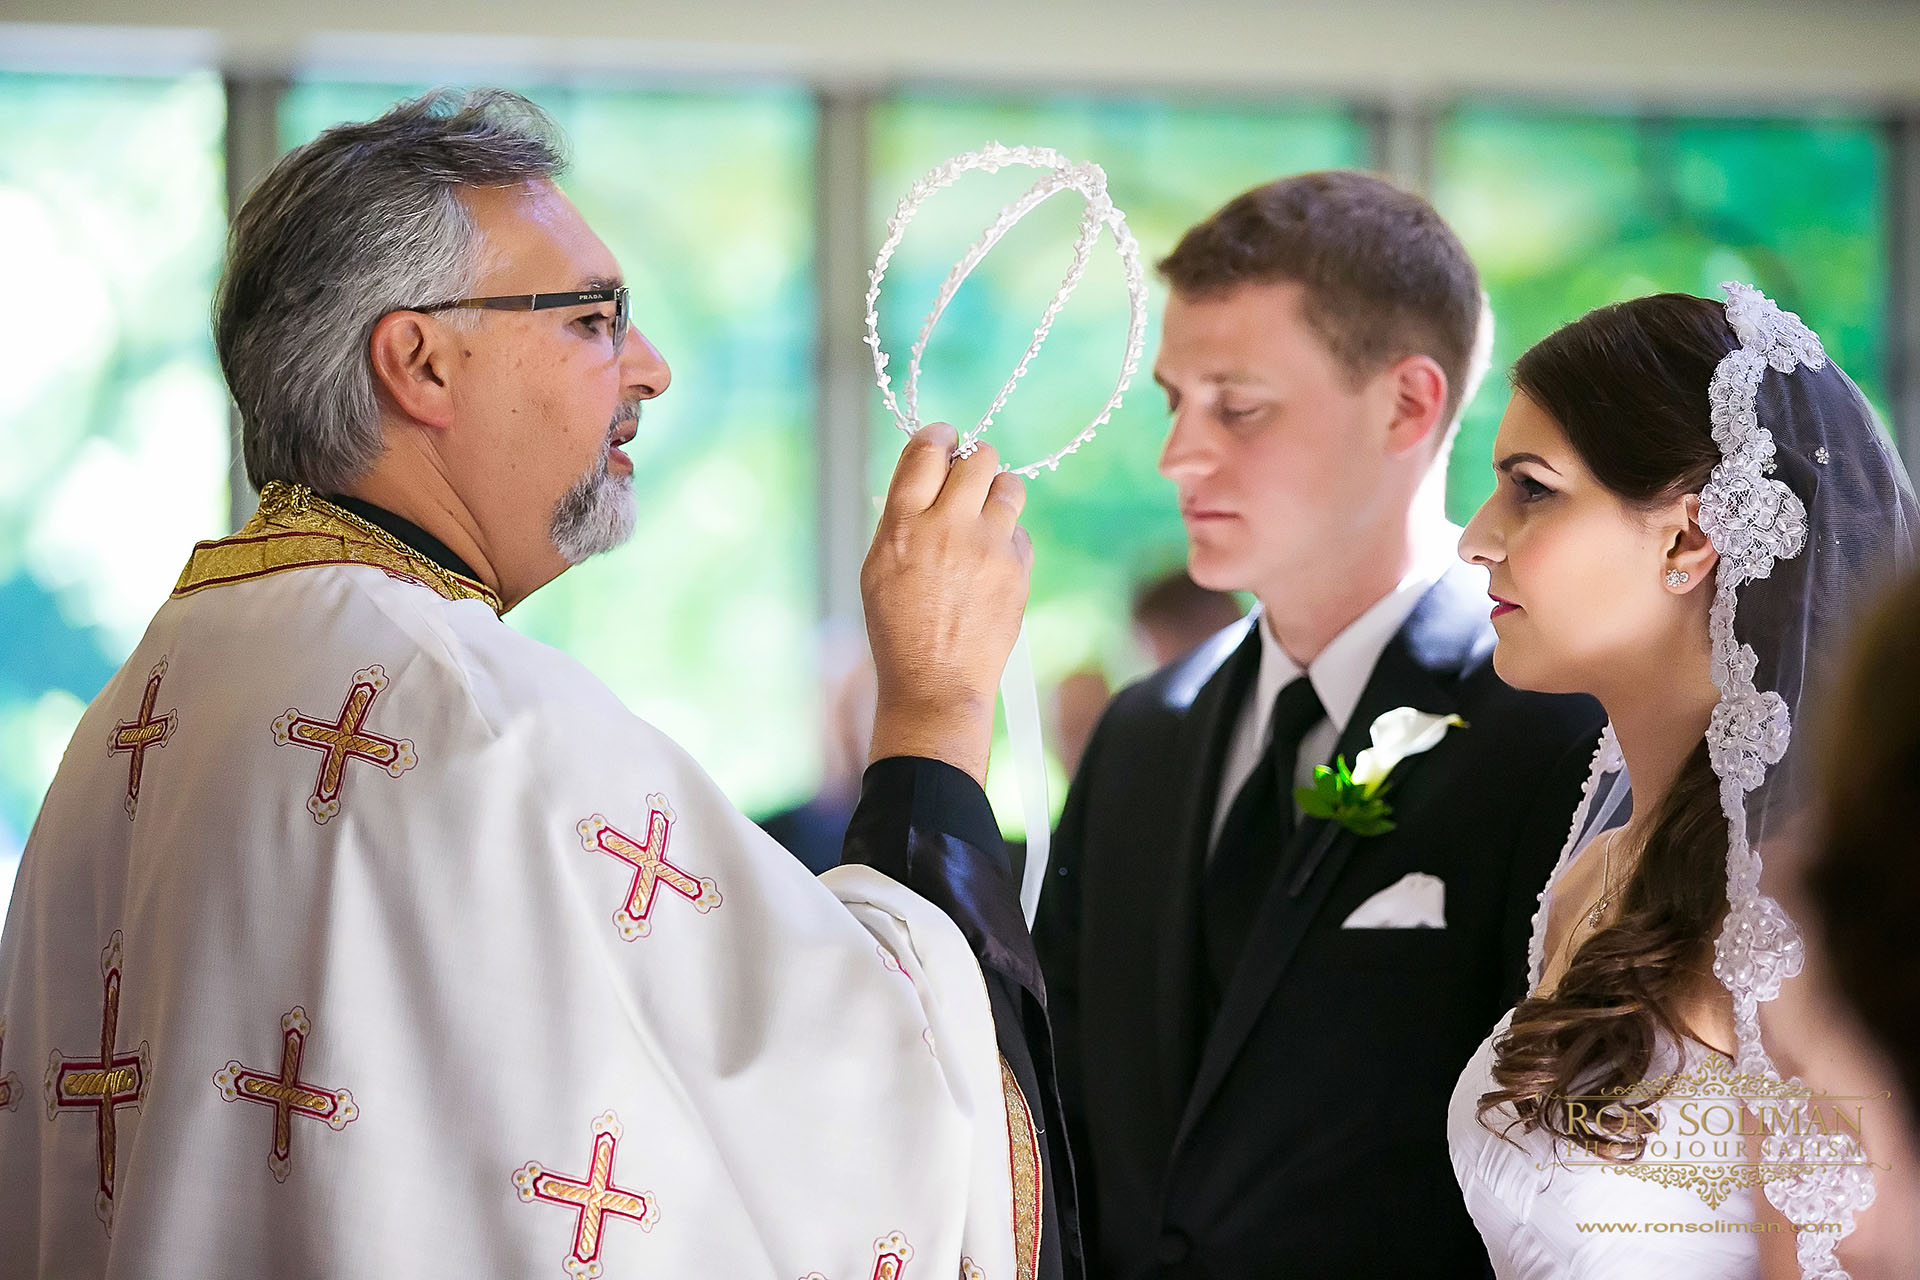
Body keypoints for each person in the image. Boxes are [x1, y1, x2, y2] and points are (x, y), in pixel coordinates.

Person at [0, 89, 1073, 1279]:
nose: (651, 369)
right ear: (420, 360)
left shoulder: (135, 710)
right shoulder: (473, 717)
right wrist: (935, 706)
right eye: (596, 319)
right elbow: (891, 1123)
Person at [1033, 172, 1606, 1278]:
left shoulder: (1558, 736)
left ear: (1407, 404)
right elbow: (1071, 1113)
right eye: (1173, 400)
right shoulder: (1141, 735)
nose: (1178, 456)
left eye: (1238, 405)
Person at [1448, 286, 1917, 1278]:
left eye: (1531, 487)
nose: (1477, 536)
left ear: (1689, 538)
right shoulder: (1593, 878)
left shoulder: (1795, 929)